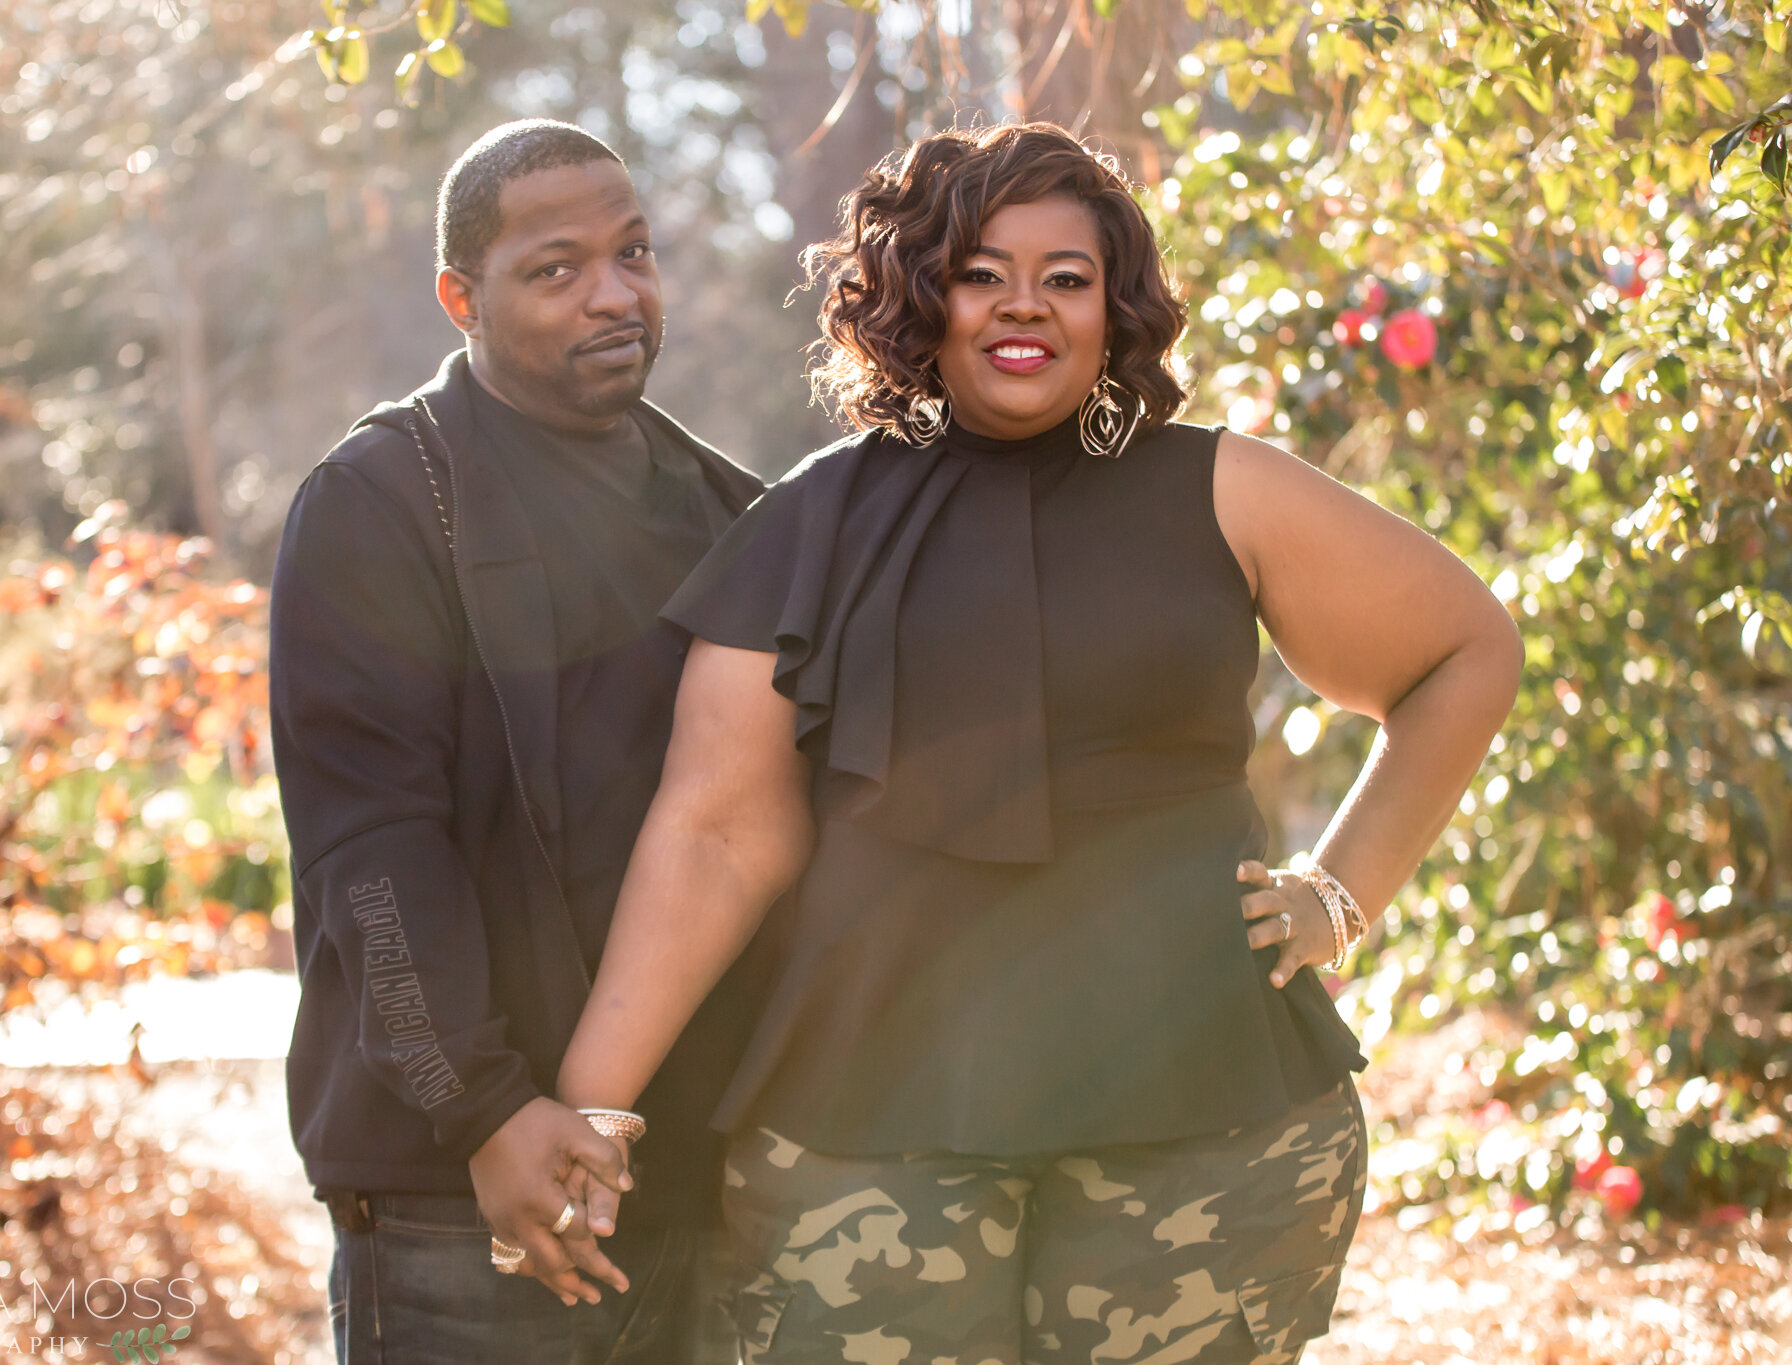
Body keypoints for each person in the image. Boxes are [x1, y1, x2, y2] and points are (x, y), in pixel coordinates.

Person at [547, 122, 1525, 1364]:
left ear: (1112, 306)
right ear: (918, 295)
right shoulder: (807, 521)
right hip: (866, 1136)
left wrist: (1339, 894)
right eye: (979, 271)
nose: (1025, 307)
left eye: (1066, 277)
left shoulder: (1222, 490)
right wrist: (593, 1100)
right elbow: (714, 833)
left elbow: (1463, 650)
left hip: (1206, 1134)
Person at [268, 118, 762, 1364]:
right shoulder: (381, 503)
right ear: (460, 298)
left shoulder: (729, 509)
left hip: (695, 1167)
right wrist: (483, 1108)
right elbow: (367, 852)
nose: (614, 295)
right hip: (457, 1191)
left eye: (633, 254)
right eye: (555, 269)